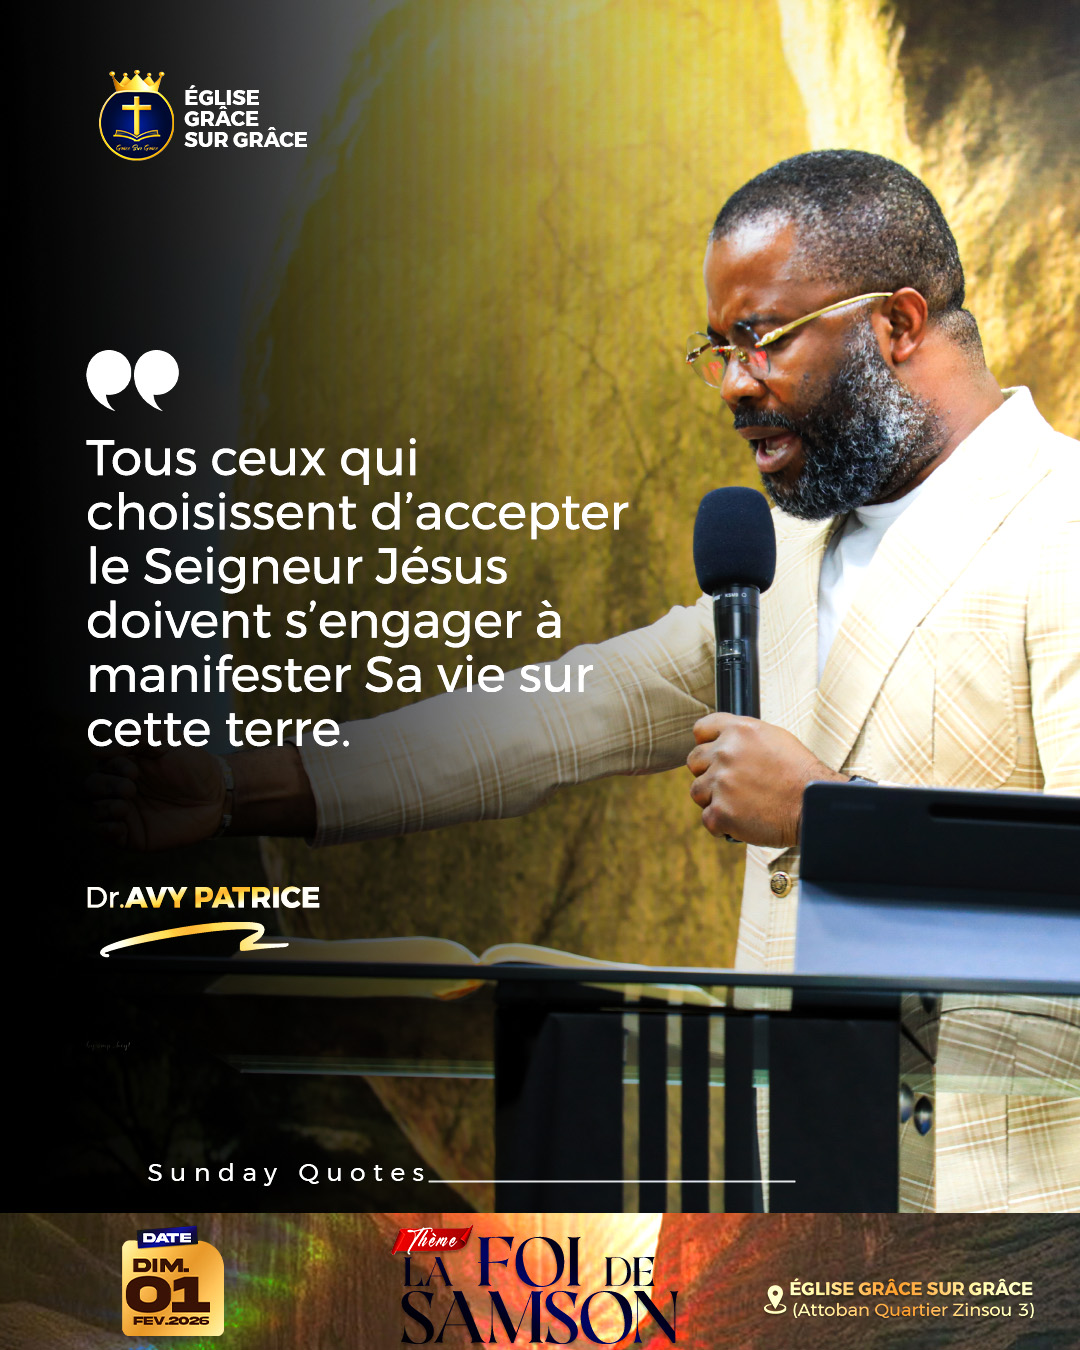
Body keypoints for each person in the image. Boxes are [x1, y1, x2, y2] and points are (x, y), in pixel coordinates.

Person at [89, 150, 1079, 1211]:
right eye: (718, 348)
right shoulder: (787, 556)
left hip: (1018, 1223)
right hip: (811, 1206)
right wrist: (239, 787)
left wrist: (825, 817)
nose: (734, 385)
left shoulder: (1059, 524)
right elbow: (566, 712)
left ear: (896, 323)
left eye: (763, 339)